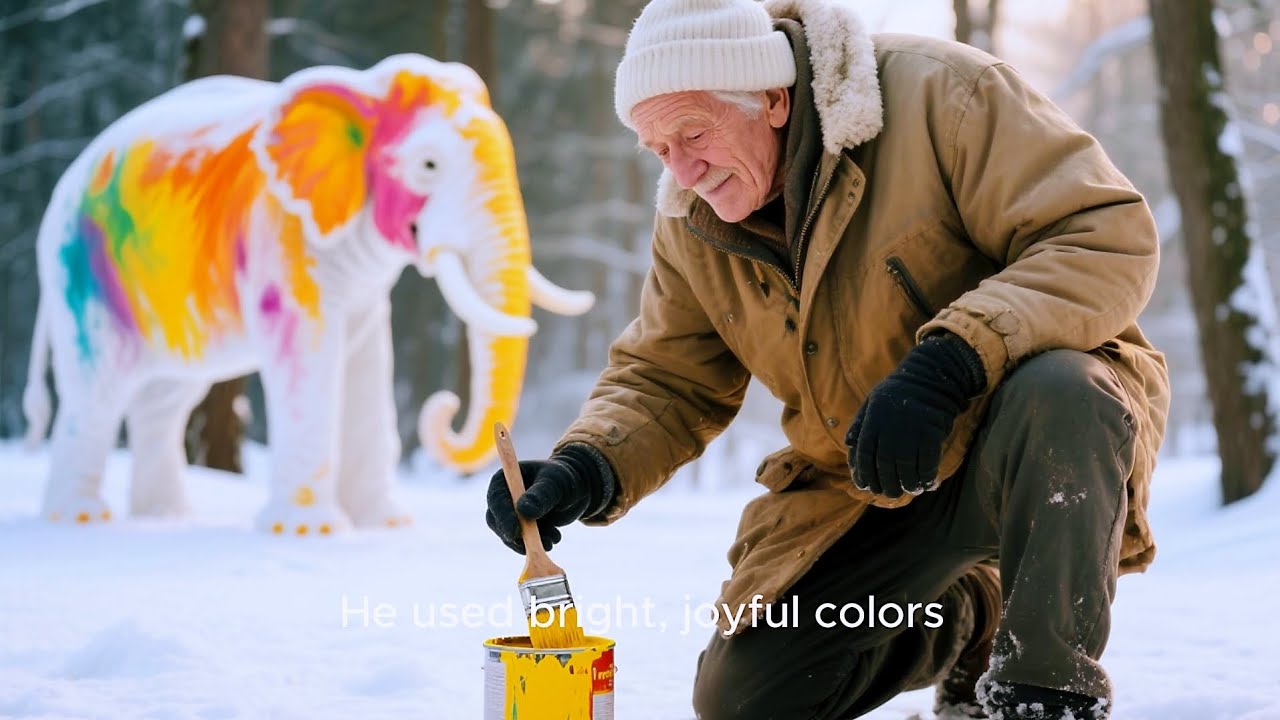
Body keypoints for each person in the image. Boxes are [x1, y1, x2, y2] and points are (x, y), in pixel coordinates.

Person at [484, 0, 1170, 717]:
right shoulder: (691, 217)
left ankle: (1044, 693)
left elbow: (1101, 232)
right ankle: (968, 618)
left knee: (1066, 387)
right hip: (862, 481)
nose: (682, 171)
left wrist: (953, 360)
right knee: (744, 701)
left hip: (1023, 435)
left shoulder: (944, 94)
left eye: (692, 133)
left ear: (772, 99)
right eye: (659, 149)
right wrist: (587, 465)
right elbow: (668, 375)